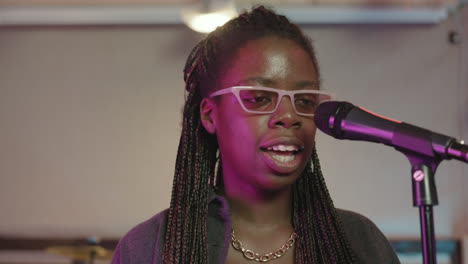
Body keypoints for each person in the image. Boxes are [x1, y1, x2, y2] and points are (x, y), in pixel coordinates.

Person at [111, 5, 401, 264]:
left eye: (304, 101)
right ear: (210, 115)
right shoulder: (150, 248)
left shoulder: (359, 242)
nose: (289, 116)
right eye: (259, 98)